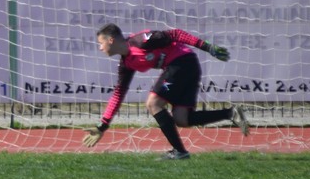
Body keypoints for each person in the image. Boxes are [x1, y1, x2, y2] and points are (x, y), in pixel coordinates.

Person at [83, 23, 249, 158]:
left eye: (101, 43)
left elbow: (176, 34)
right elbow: (118, 94)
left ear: (111, 40)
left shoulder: (140, 40)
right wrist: (102, 126)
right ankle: (230, 113)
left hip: (182, 62)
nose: (100, 48)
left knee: (153, 103)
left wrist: (207, 47)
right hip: (186, 67)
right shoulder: (126, 64)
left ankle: (180, 152)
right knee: (182, 119)